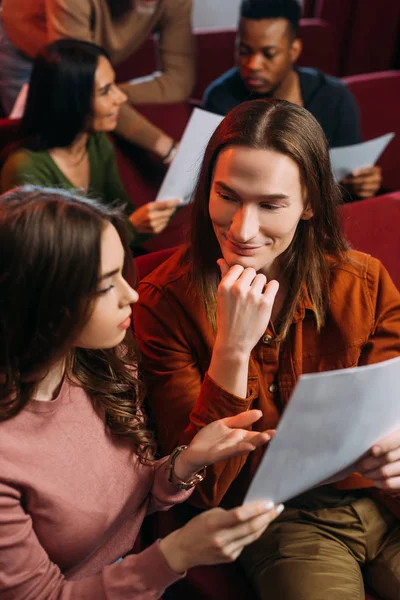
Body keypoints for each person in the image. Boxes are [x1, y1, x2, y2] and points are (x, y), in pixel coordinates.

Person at [134, 99, 400, 600]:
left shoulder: (362, 281)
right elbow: (200, 487)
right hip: (276, 518)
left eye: (270, 204)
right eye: (227, 196)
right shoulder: (165, 301)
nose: (242, 229)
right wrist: (232, 351)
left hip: (381, 499)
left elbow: (392, 396)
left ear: (311, 204)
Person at [0, 184, 283, 598]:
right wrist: (175, 554)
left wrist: (183, 464)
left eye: (123, 273)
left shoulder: (97, 360)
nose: (131, 294)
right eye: (104, 286)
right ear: (41, 304)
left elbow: (125, 497)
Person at [0, 39, 181, 249]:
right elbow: (53, 256)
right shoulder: (24, 168)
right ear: (70, 100)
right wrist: (132, 228)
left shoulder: (96, 142)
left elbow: (121, 214)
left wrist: (148, 219)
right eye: (105, 91)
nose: (120, 97)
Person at [203, 0, 382, 200]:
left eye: (269, 54)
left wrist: (362, 183)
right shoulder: (221, 98)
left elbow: (351, 178)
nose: (253, 65)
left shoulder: (334, 96)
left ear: (294, 50)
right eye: (244, 51)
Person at [0, 0, 194, 161]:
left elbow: (178, 81)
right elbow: (79, 84)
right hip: (25, 51)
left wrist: (108, 93)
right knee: (43, 153)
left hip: (91, 62)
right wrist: (167, 148)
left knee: (94, 143)